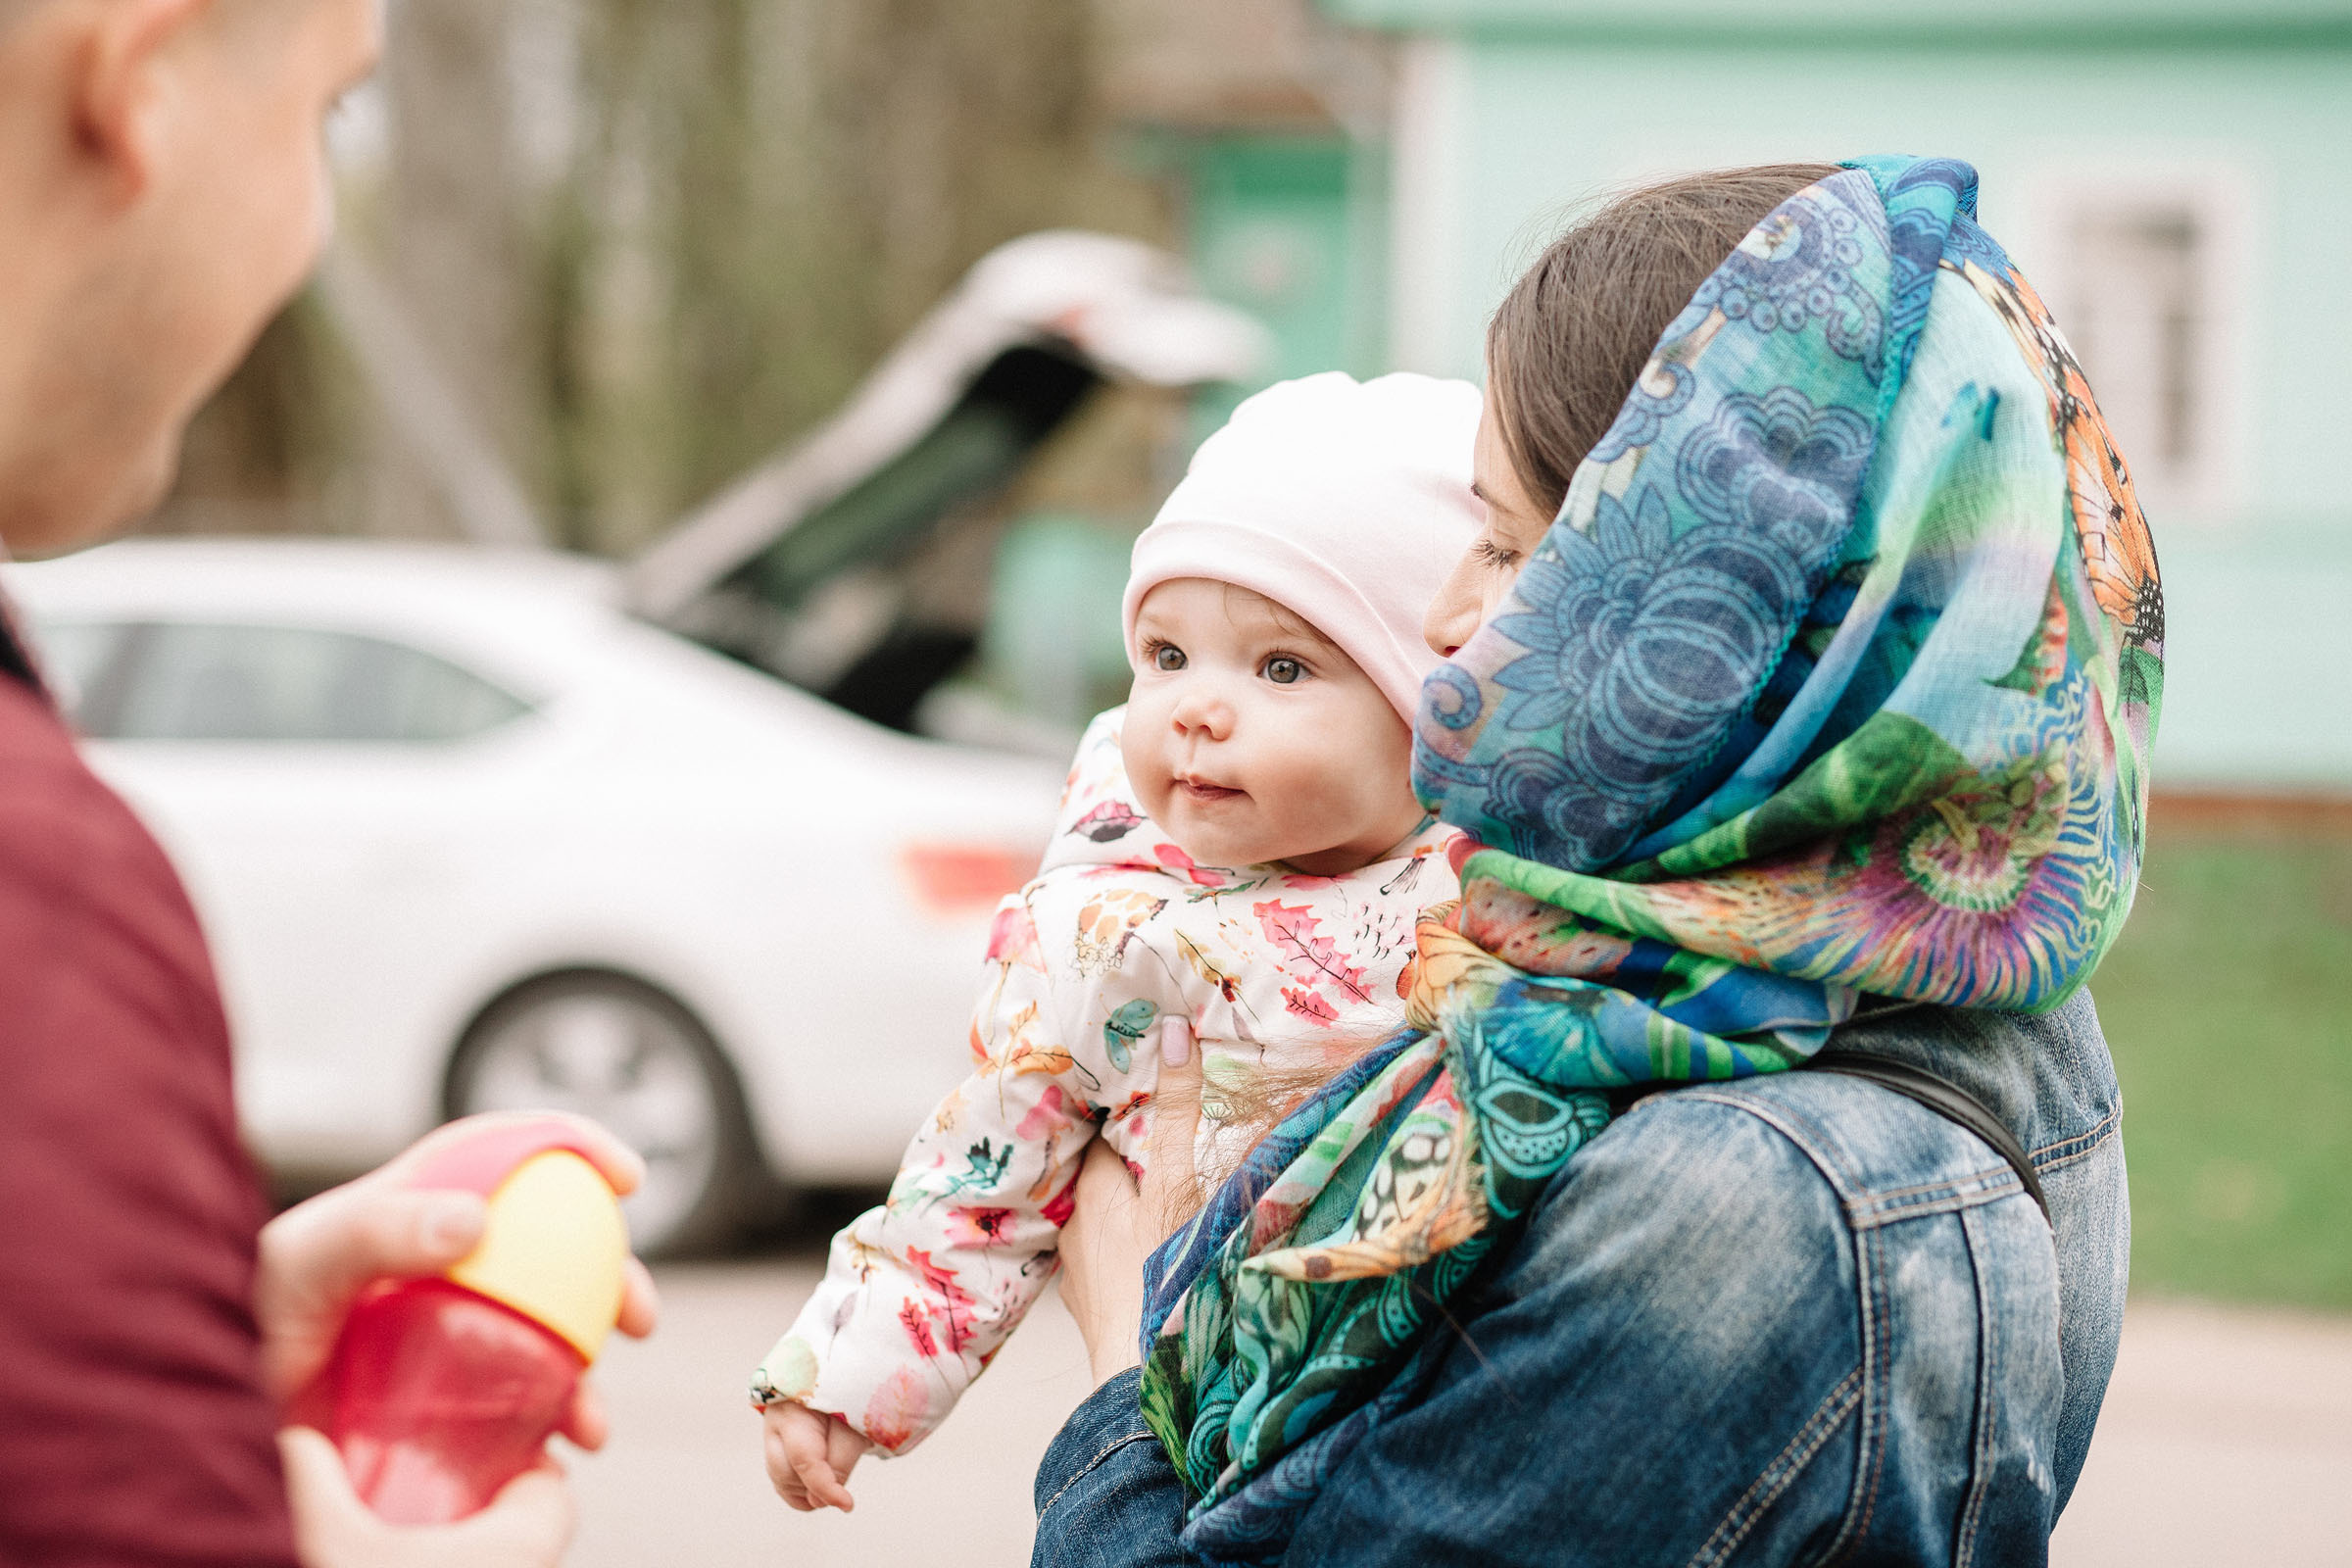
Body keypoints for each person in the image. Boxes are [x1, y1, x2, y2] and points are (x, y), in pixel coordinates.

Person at [1033, 159, 2149, 1566]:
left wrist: (1121, 1386)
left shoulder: (1730, 1205)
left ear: (1721, 606)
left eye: (1507, 547)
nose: (1443, 617)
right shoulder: (1953, 981)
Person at [0, 2, 654, 1564]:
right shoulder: (39, 890)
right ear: (143, 78)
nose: (306, 226)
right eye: (328, 114)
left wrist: (161, 1359)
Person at [753, 372, 1485, 1512]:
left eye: (1282, 666)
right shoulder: (1114, 925)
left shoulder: (1509, 883)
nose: (1194, 708)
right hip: (1210, 1425)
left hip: (1444, 1412)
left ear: (1431, 712)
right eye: (1166, 656)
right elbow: (991, 1156)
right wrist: (850, 1373)